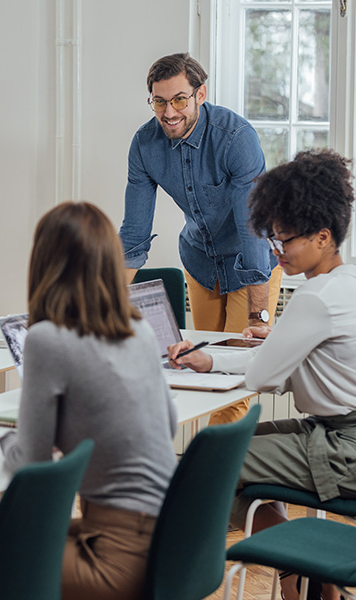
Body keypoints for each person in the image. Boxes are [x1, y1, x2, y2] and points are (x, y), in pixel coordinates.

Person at [0, 202, 178, 600]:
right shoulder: (138, 328)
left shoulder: (48, 339)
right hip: (171, 537)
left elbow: (30, 461)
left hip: (118, 554)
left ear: (46, 263)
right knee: (12, 539)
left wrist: (4, 439)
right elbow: (167, 424)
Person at [168, 148, 356, 600]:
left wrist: (269, 350)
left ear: (324, 237)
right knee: (233, 449)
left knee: (208, 465)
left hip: (345, 446)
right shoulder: (344, 284)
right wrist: (212, 358)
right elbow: (279, 364)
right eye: (275, 239)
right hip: (336, 430)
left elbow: (265, 378)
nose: (277, 252)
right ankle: (312, 583)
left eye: (286, 240)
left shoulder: (315, 298)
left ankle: (304, 579)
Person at [119, 52, 283, 425]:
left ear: (200, 94)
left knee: (237, 378)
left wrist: (259, 317)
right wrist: (103, 306)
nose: (169, 112)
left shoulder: (236, 138)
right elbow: (133, 234)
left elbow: (253, 228)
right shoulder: (145, 145)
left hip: (252, 264)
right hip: (200, 262)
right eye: (159, 101)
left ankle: (217, 476)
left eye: (179, 99)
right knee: (198, 369)